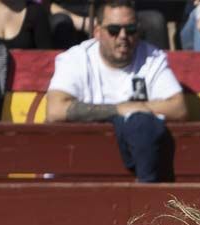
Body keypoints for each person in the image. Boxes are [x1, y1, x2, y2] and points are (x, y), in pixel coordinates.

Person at [45, 0, 187, 183]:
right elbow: (55, 110)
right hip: (77, 171)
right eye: (113, 30)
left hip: (132, 174)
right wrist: (121, 110)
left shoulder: (152, 58)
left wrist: (129, 109)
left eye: (131, 29)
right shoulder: (75, 59)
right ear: (97, 31)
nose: (123, 36)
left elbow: (178, 107)